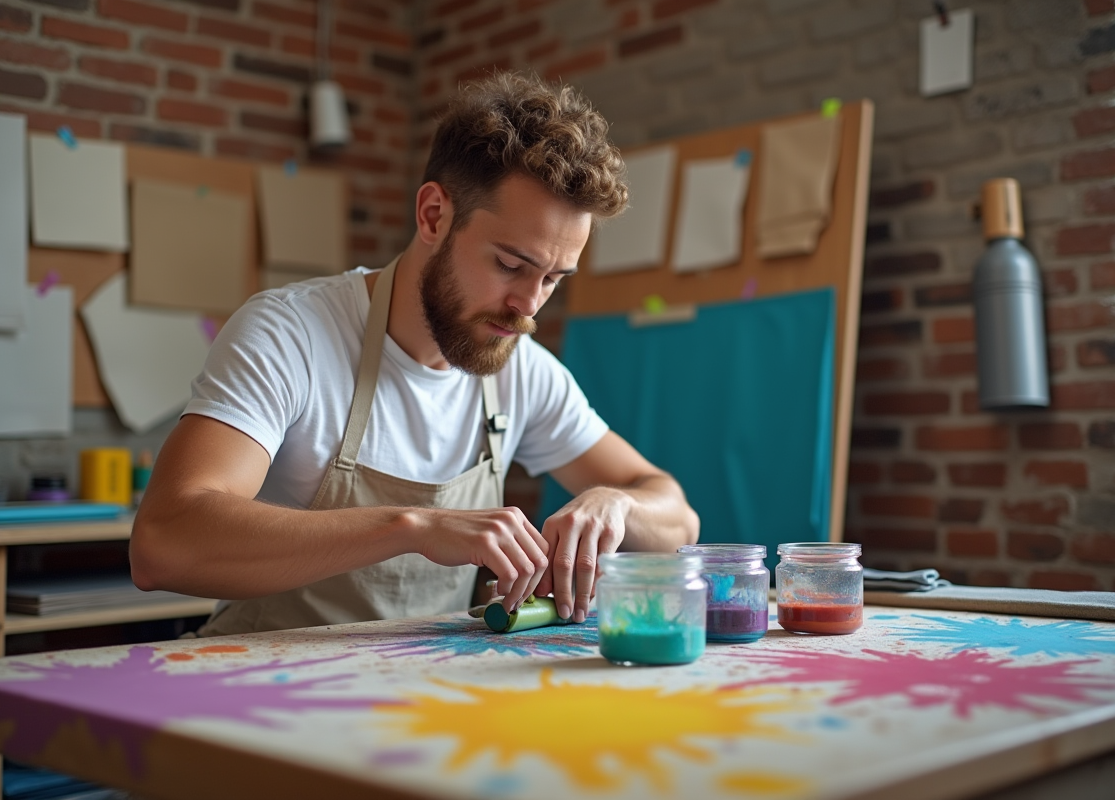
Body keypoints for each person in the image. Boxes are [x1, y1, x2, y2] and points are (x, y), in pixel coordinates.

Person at [130, 71, 700, 637]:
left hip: (418, 697)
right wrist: (412, 526)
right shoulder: (290, 334)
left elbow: (678, 517)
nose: (529, 306)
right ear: (434, 215)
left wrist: (615, 506)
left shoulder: (521, 371)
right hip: (259, 689)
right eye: (509, 264)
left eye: (554, 278)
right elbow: (164, 544)